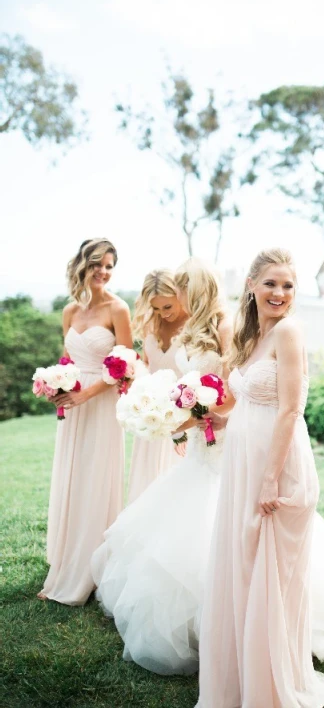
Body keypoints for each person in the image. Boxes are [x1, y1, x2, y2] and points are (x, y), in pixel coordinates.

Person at [196, 248, 324, 708]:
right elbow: (247, 403)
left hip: (277, 465)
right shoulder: (253, 335)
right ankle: (242, 671)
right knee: (244, 564)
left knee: (269, 571)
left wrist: (271, 479)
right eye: (271, 283)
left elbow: (291, 408)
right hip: (243, 461)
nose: (279, 293)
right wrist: (211, 418)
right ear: (252, 285)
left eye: (288, 285)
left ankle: (270, 682)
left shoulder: (290, 332)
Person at [91, 258, 233, 675]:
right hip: (197, 437)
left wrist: (194, 416)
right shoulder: (191, 329)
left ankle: (219, 615)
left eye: (184, 293)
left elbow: (230, 389)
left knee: (210, 516)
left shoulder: (224, 327)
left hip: (222, 439)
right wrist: (174, 416)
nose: (179, 303)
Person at [38, 238, 132, 605]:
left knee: (94, 482)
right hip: (73, 408)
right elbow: (68, 357)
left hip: (101, 405)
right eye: (98, 264)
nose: (104, 272)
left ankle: (86, 573)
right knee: (73, 479)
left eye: (110, 266)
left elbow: (126, 367)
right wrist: (54, 383)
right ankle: (64, 560)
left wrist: (85, 393)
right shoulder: (69, 311)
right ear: (83, 264)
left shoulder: (118, 309)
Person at [127, 268, 189, 503]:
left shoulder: (194, 326)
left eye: (167, 307)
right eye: (155, 308)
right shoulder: (149, 325)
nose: (162, 314)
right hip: (151, 417)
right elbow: (146, 363)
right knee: (147, 484)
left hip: (183, 416)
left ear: (179, 297)